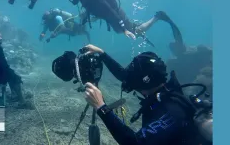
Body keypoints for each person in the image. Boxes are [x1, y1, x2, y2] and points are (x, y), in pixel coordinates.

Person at [81, 44, 212, 145]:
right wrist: (102, 54)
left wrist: (101, 107)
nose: (129, 78)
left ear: (144, 81)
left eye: (133, 74)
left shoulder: (170, 111)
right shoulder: (165, 90)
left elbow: (134, 142)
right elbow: (125, 76)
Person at [33, 0, 178, 42]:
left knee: (135, 31)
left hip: (114, 14)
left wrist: (124, 28)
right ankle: (130, 25)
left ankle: (157, 16)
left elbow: (111, 11)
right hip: (102, 14)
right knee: (121, 28)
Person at [0, 30, 27, 108]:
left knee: (10, 73)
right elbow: (2, 64)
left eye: (1, 36)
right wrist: (9, 71)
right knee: (15, 77)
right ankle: (22, 100)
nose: (1, 38)